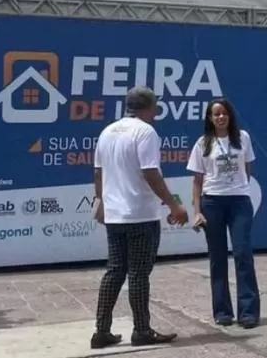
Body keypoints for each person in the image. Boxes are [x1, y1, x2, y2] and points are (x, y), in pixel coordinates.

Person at [90, 87, 188, 350]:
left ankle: (101, 331)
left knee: (114, 271)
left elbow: (98, 173)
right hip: (140, 214)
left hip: (115, 215)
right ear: (149, 107)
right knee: (138, 274)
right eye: (156, 106)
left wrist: (99, 201)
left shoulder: (107, 131)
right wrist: (173, 204)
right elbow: (151, 173)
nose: (157, 111)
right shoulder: (145, 132)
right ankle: (142, 330)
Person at [187, 98, 261, 329]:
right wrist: (197, 211)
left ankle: (248, 312)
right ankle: (222, 311)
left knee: (242, 254)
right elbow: (197, 181)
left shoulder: (243, 138)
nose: (220, 117)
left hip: (239, 202)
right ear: (209, 118)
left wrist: (238, 188)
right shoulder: (202, 143)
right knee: (217, 258)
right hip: (212, 203)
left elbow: (248, 169)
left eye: (224, 113)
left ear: (230, 116)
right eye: (215, 114)